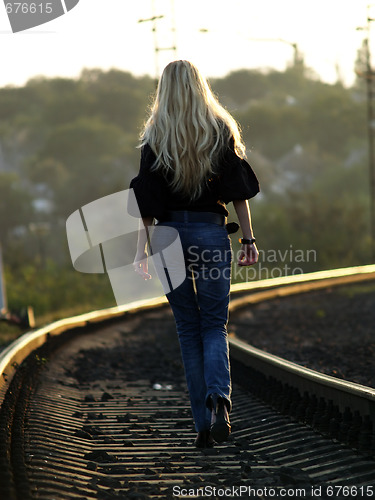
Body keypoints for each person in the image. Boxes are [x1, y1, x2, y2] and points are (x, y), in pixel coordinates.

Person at [130, 60, 259, 448]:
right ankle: (219, 399)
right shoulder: (219, 130)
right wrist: (248, 240)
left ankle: (203, 425)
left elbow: (147, 203)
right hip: (209, 231)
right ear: (200, 86)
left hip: (168, 235)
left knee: (188, 328)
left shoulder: (156, 134)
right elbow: (238, 191)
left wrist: (142, 251)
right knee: (214, 324)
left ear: (164, 90)